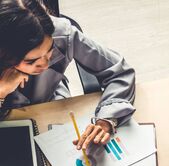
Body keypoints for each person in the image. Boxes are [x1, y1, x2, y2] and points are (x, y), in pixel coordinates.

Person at [0, 0, 135, 149]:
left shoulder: (61, 33)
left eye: (50, 50)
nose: (45, 64)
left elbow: (120, 72)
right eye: (32, 61)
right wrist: (2, 93)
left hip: (52, 105)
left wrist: (107, 119)